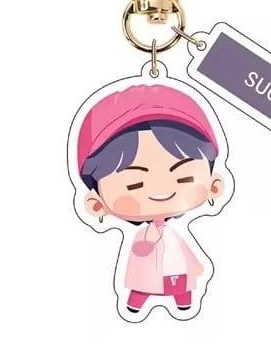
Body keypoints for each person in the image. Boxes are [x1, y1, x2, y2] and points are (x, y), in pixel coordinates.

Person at [77, 84, 225, 313]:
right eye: (135, 184)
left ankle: (182, 303)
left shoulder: (172, 236)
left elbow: (183, 253)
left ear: (214, 186)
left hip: (175, 270)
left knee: (179, 285)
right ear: (96, 205)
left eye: (183, 177)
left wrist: (195, 266)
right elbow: (141, 254)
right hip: (147, 272)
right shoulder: (145, 235)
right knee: (143, 286)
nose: (161, 190)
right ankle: (135, 305)